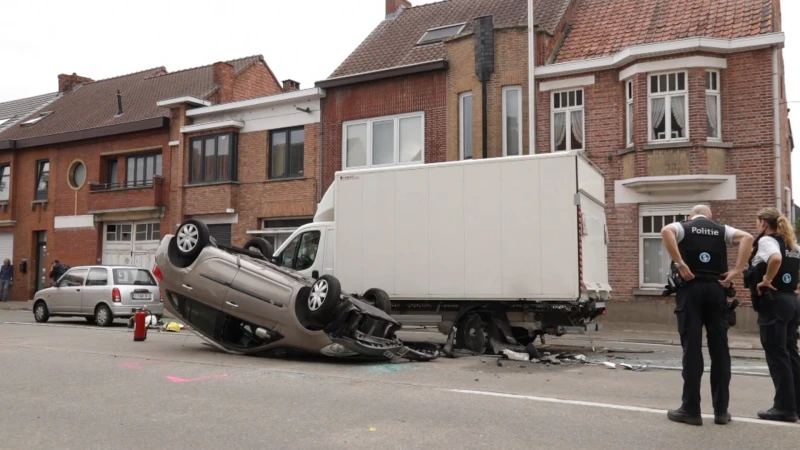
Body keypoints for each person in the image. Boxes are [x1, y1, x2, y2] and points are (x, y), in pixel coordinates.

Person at [660, 205, 754, 426]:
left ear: (691, 216)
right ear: (710, 216)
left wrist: (680, 263)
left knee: (692, 349)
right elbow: (748, 238)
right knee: (720, 350)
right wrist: (737, 270)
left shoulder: (683, 227)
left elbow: (665, 232)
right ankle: (721, 411)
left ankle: (691, 410)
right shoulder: (722, 230)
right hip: (717, 288)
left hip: (691, 288)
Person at [747, 207, 800, 423]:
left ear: (763, 223)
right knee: (790, 352)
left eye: (757, 222)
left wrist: (767, 280)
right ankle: (796, 405)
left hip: (774, 302)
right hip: (792, 301)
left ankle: (784, 408)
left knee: (777, 353)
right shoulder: (792, 245)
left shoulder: (768, 241)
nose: (757, 225)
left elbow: (775, 259)